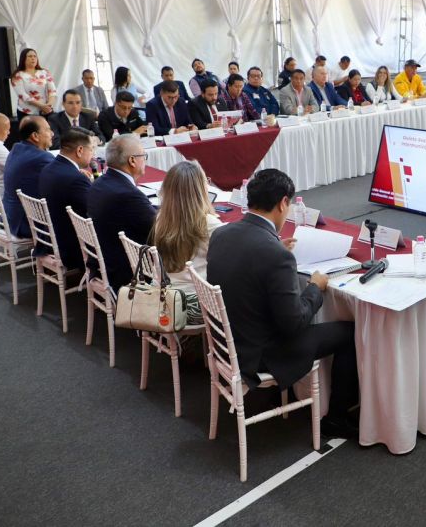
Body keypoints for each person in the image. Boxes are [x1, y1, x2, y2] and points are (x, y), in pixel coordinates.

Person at [207, 168, 360, 435]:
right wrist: (314, 288)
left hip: (229, 341)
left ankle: (287, 395)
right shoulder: (276, 256)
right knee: (350, 332)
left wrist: (276, 245)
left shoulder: (222, 234)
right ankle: (337, 416)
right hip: (262, 353)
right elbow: (295, 323)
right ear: (283, 203)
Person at [152, 160, 224, 327]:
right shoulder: (210, 224)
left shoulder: (161, 217)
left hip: (162, 297)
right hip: (195, 304)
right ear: (200, 190)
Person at [87, 134, 156, 288]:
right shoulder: (129, 195)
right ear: (132, 160)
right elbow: (161, 230)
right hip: (127, 271)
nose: (144, 160)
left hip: (103, 260)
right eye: (143, 156)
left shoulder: (99, 183)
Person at [38, 126, 93, 268]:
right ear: (80, 150)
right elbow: (93, 213)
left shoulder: (49, 168)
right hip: (72, 247)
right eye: (92, 149)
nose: (93, 154)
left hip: (49, 237)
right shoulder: (75, 179)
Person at [2, 116, 54, 238]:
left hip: (10, 217)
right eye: (47, 130)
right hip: (27, 224)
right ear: (35, 136)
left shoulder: (16, 148)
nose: (52, 133)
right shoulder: (42, 158)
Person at [11, 48, 56, 118]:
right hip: (27, 112)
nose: (33, 58)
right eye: (30, 56)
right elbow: (22, 95)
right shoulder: (18, 75)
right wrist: (41, 106)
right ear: (23, 59)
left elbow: (52, 91)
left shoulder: (44, 72)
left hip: (46, 111)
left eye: (35, 56)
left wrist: (49, 105)